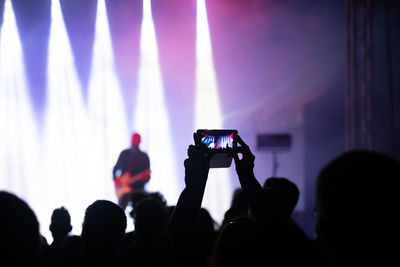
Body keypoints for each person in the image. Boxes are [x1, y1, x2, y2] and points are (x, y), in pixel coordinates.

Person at [113, 132, 151, 211]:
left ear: (140, 141)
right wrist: (116, 181)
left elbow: (147, 177)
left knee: (143, 207)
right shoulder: (124, 154)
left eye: (137, 140)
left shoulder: (144, 157)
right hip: (124, 190)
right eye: (134, 140)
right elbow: (115, 169)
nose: (135, 142)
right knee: (120, 208)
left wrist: (144, 179)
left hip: (138, 189)